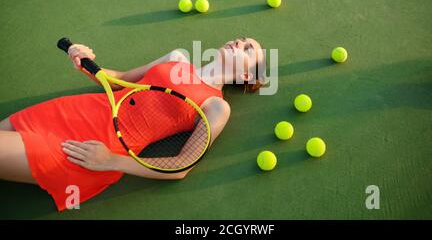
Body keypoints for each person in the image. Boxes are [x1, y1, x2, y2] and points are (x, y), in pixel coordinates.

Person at [0, 37, 264, 211]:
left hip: (92, 147)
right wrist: (84, 63)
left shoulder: (217, 106)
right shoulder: (177, 57)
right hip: (73, 111)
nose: (239, 42)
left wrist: (111, 161)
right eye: (240, 39)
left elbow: (182, 166)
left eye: (248, 49)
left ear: (244, 75)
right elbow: (119, 79)